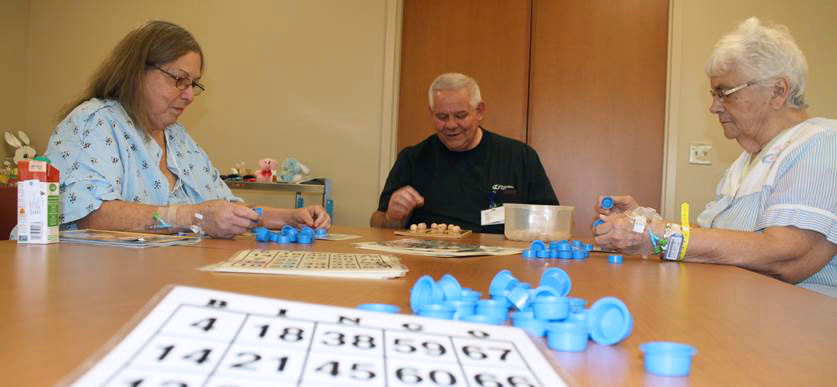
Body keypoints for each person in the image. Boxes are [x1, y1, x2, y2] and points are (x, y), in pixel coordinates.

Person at [593, 17, 837, 297]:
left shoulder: (824, 142)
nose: (713, 107)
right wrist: (645, 222)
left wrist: (657, 237)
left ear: (778, 91)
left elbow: (787, 256)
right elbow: (714, 237)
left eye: (725, 93)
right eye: (713, 94)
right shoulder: (746, 162)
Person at [44, 21, 329, 238]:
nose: (189, 95)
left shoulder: (177, 138)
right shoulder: (94, 121)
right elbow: (88, 215)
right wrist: (191, 216)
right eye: (179, 80)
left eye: (194, 84)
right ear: (136, 71)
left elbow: (225, 208)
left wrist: (289, 218)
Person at [371, 73, 558, 233]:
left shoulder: (520, 157)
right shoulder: (412, 158)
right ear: (431, 114)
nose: (451, 125)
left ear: (479, 111)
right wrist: (392, 217)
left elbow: (552, 222)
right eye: (442, 117)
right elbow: (377, 224)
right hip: (427, 262)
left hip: (498, 265)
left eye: (461, 116)